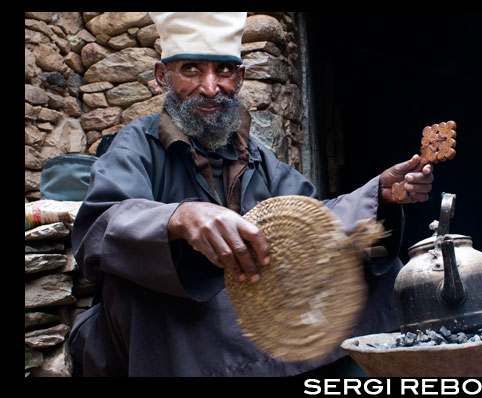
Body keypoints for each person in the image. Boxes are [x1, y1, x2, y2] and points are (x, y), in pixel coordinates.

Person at [67, 12, 434, 377]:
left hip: (253, 296)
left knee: (381, 276)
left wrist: (379, 195)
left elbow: (314, 216)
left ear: (239, 78)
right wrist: (179, 218)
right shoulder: (136, 144)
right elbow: (103, 222)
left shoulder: (254, 153)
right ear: (164, 76)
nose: (210, 87)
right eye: (192, 70)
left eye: (223, 72)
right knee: (156, 299)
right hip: (179, 309)